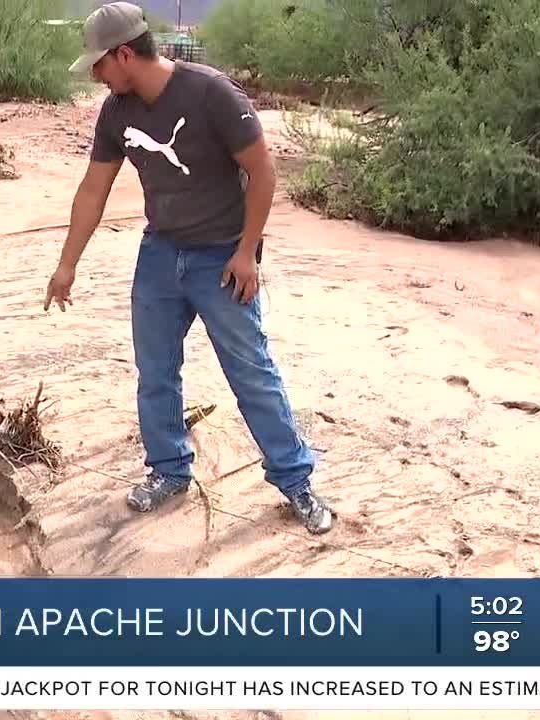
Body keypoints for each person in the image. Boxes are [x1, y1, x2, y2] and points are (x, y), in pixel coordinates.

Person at [42, 1, 335, 535]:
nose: (95, 74)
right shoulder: (116, 113)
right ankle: (169, 471)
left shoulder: (211, 94)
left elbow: (262, 171)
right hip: (160, 253)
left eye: (99, 64)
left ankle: (296, 482)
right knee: (155, 372)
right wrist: (67, 265)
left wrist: (247, 252)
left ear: (124, 55)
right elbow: (93, 189)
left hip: (221, 259)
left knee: (251, 373)